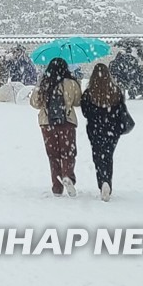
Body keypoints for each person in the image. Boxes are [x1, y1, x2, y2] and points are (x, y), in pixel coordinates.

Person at [29, 57, 82, 197]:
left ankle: (57, 187)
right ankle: (68, 176)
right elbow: (78, 102)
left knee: (53, 155)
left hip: (47, 124)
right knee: (68, 153)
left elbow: (34, 103)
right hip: (67, 122)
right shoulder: (70, 83)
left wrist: (39, 86)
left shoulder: (44, 83)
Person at [80, 62, 130, 202]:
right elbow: (121, 110)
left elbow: (85, 112)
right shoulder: (116, 91)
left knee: (98, 157)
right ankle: (107, 181)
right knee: (108, 156)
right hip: (112, 130)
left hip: (95, 130)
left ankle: (102, 182)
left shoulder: (88, 93)